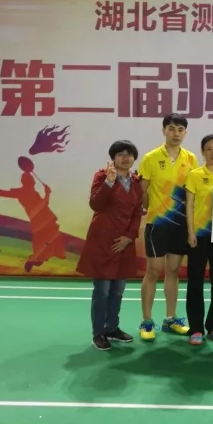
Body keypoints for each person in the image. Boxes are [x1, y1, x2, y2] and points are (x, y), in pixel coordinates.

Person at [76, 140, 143, 351]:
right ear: (113, 158)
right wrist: (109, 183)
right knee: (102, 291)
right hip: (103, 242)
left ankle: (112, 328)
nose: (125, 158)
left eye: (129, 154)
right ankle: (98, 333)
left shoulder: (137, 182)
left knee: (118, 291)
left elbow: (137, 214)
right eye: (120, 154)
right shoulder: (102, 176)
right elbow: (95, 204)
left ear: (134, 158)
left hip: (124, 243)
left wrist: (129, 237)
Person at [137, 113, 199, 341]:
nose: (176, 133)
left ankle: (170, 319)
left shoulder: (191, 159)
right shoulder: (150, 158)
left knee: (173, 271)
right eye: (171, 128)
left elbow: (193, 192)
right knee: (153, 271)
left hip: (180, 225)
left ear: (185, 133)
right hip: (157, 224)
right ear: (164, 130)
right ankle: (146, 321)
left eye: (181, 129)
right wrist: (153, 209)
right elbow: (143, 191)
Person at [184, 134, 213, 345]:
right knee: (195, 282)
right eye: (209, 149)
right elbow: (189, 205)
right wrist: (190, 232)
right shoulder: (194, 175)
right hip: (199, 236)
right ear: (202, 152)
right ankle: (195, 328)